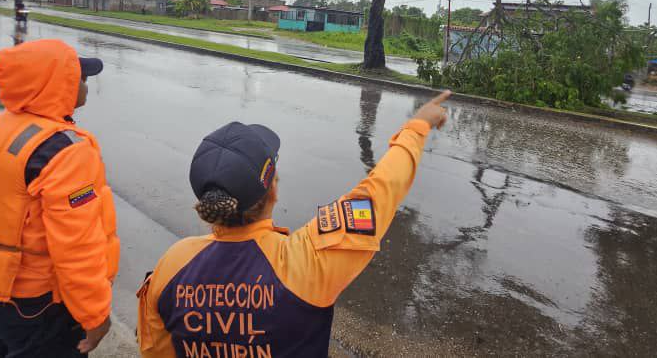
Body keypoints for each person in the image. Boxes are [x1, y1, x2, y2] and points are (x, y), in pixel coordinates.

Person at [136, 90, 452, 357]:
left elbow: (154, 350)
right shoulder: (304, 263)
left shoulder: (172, 266)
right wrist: (417, 126)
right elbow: (380, 192)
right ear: (272, 188)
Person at [0, 39, 120, 357]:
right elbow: (76, 248)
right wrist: (95, 315)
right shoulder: (64, 151)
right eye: (80, 77)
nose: (86, 85)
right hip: (40, 305)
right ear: (59, 84)